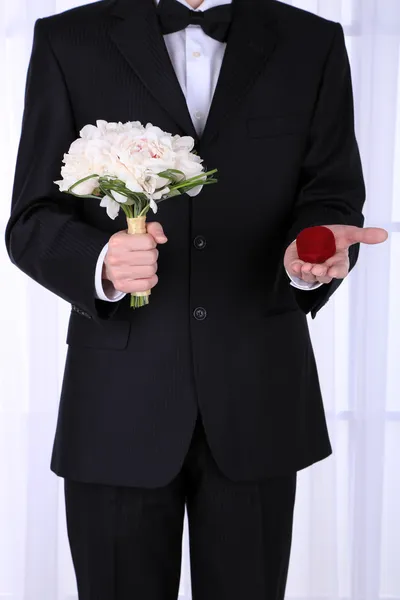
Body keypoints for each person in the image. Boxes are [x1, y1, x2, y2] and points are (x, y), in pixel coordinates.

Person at [5, 0, 388, 598]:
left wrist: (312, 258)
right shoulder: (67, 39)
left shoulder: (312, 41)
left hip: (258, 393)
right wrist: (102, 261)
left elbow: (331, 197)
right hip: (117, 404)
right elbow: (31, 219)